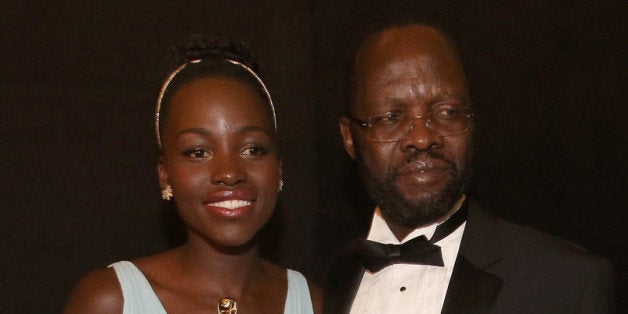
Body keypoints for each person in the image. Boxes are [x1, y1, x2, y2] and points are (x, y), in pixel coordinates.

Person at [323, 24, 614, 313]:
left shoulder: (567, 284)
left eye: (447, 111)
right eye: (390, 118)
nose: (422, 138)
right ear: (350, 138)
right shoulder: (322, 284)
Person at [63, 36, 322, 314]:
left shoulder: (315, 302)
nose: (229, 173)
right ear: (165, 174)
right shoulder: (111, 300)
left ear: (279, 167)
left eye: (252, 149)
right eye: (198, 152)